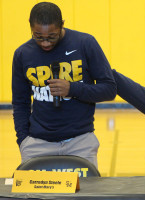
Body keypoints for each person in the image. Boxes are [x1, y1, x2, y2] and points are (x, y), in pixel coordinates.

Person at [12, 2, 116, 168]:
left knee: (86, 194)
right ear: (31, 27)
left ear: (62, 25)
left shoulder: (85, 43)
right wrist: (23, 140)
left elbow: (109, 89)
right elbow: (20, 102)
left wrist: (72, 89)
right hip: (36, 145)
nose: (45, 43)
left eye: (51, 36)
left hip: (80, 143)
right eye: (38, 36)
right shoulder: (23, 54)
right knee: (33, 195)